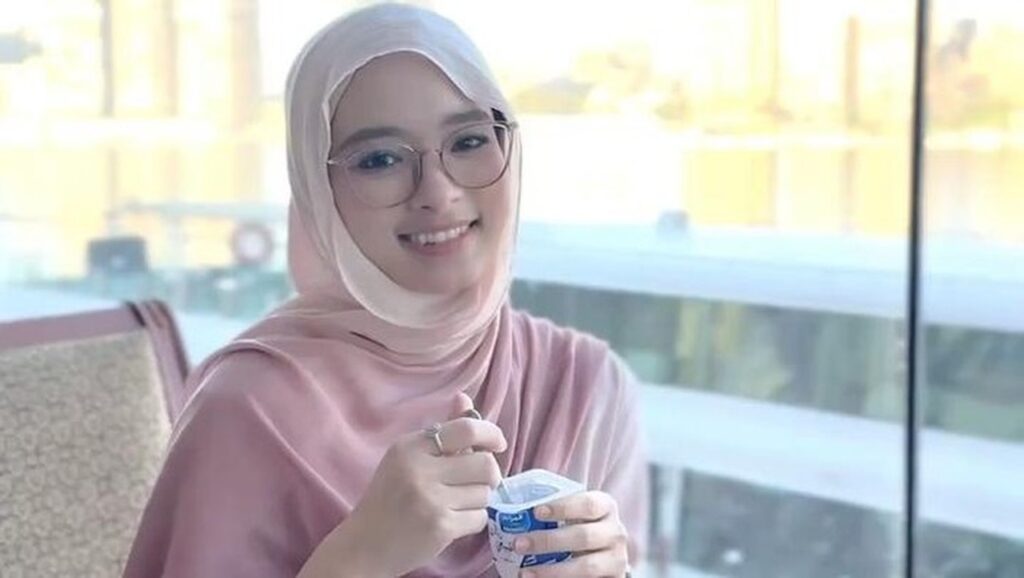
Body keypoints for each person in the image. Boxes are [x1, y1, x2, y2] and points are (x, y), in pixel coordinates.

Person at [123, 4, 648, 577]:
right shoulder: (248, 409)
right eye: (380, 159)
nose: (438, 192)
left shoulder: (584, 385)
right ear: (318, 190)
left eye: (470, 140)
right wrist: (361, 555)